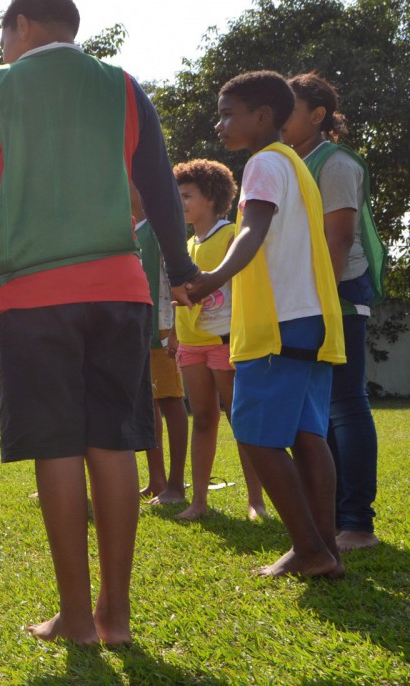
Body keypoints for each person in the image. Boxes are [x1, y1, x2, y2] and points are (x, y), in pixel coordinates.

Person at [0, 0, 199, 645]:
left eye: (4, 34)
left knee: (57, 447)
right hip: (120, 289)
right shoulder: (124, 87)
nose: (1, 47)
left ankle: (76, 618)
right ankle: (116, 616)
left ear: (21, 26)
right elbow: (161, 189)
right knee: (112, 443)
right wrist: (184, 268)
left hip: (33, 294)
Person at [183, 71, 345, 579]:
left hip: (277, 325)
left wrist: (210, 279)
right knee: (308, 435)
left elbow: (252, 228)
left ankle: (310, 549)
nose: (219, 124)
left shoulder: (263, 164)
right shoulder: (295, 164)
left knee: (254, 436)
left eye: (228, 114)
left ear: (263, 116)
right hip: (312, 319)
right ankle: (324, 549)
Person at [283, 72, 385, 552]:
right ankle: (332, 518)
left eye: (289, 108)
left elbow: (339, 239)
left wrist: (321, 306)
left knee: (345, 404)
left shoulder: (337, 162)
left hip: (337, 298)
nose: (278, 118)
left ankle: (358, 524)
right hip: (309, 300)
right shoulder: (295, 162)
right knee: (320, 412)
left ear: (318, 115)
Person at [170, 160, 266, 520]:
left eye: (187, 196)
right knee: (203, 419)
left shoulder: (231, 235)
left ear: (210, 197)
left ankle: (256, 501)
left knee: (239, 419)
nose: (180, 203)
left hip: (226, 341)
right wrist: (175, 335)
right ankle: (199, 502)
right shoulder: (187, 244)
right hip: (191, 343)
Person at [130, 187, 189, 504]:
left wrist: (175, 331)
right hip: (135, 333)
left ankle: (176, 484)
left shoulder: (158, 230)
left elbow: (177, 279)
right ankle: (157, 479)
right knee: (148, 406)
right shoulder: (127, 230)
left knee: (171, 401)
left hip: (162, 332)